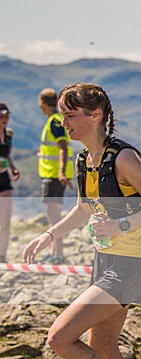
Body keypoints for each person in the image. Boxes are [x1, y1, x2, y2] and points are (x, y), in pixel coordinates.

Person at [23, 83, 141, 359]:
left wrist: (121, 225)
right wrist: (49, 235)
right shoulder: (84, 160)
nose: (63, 123)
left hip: (129, 266)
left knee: (60, 337)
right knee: (103, 345)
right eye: (62, 115)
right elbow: (83, 208)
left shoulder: (124, 158)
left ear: (95, 115)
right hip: (105, 261)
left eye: (70, 115)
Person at [37, 88, 74, 265]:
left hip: (54, 175)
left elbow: (62, 147)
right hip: (54, 174)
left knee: (53, 215)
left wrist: (61, 171)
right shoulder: (58, 120)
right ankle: (55, 252)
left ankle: (57, 254)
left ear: (43, 103)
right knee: (53, 214)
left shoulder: (54, 121)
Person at [0, 103, 21, 263]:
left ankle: (2, 256)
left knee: (5, 221)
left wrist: (13, 168)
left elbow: (6, 155)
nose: (5, 119)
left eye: (7, 115)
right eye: (1, 116)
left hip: (4, 180)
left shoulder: (9, 134)